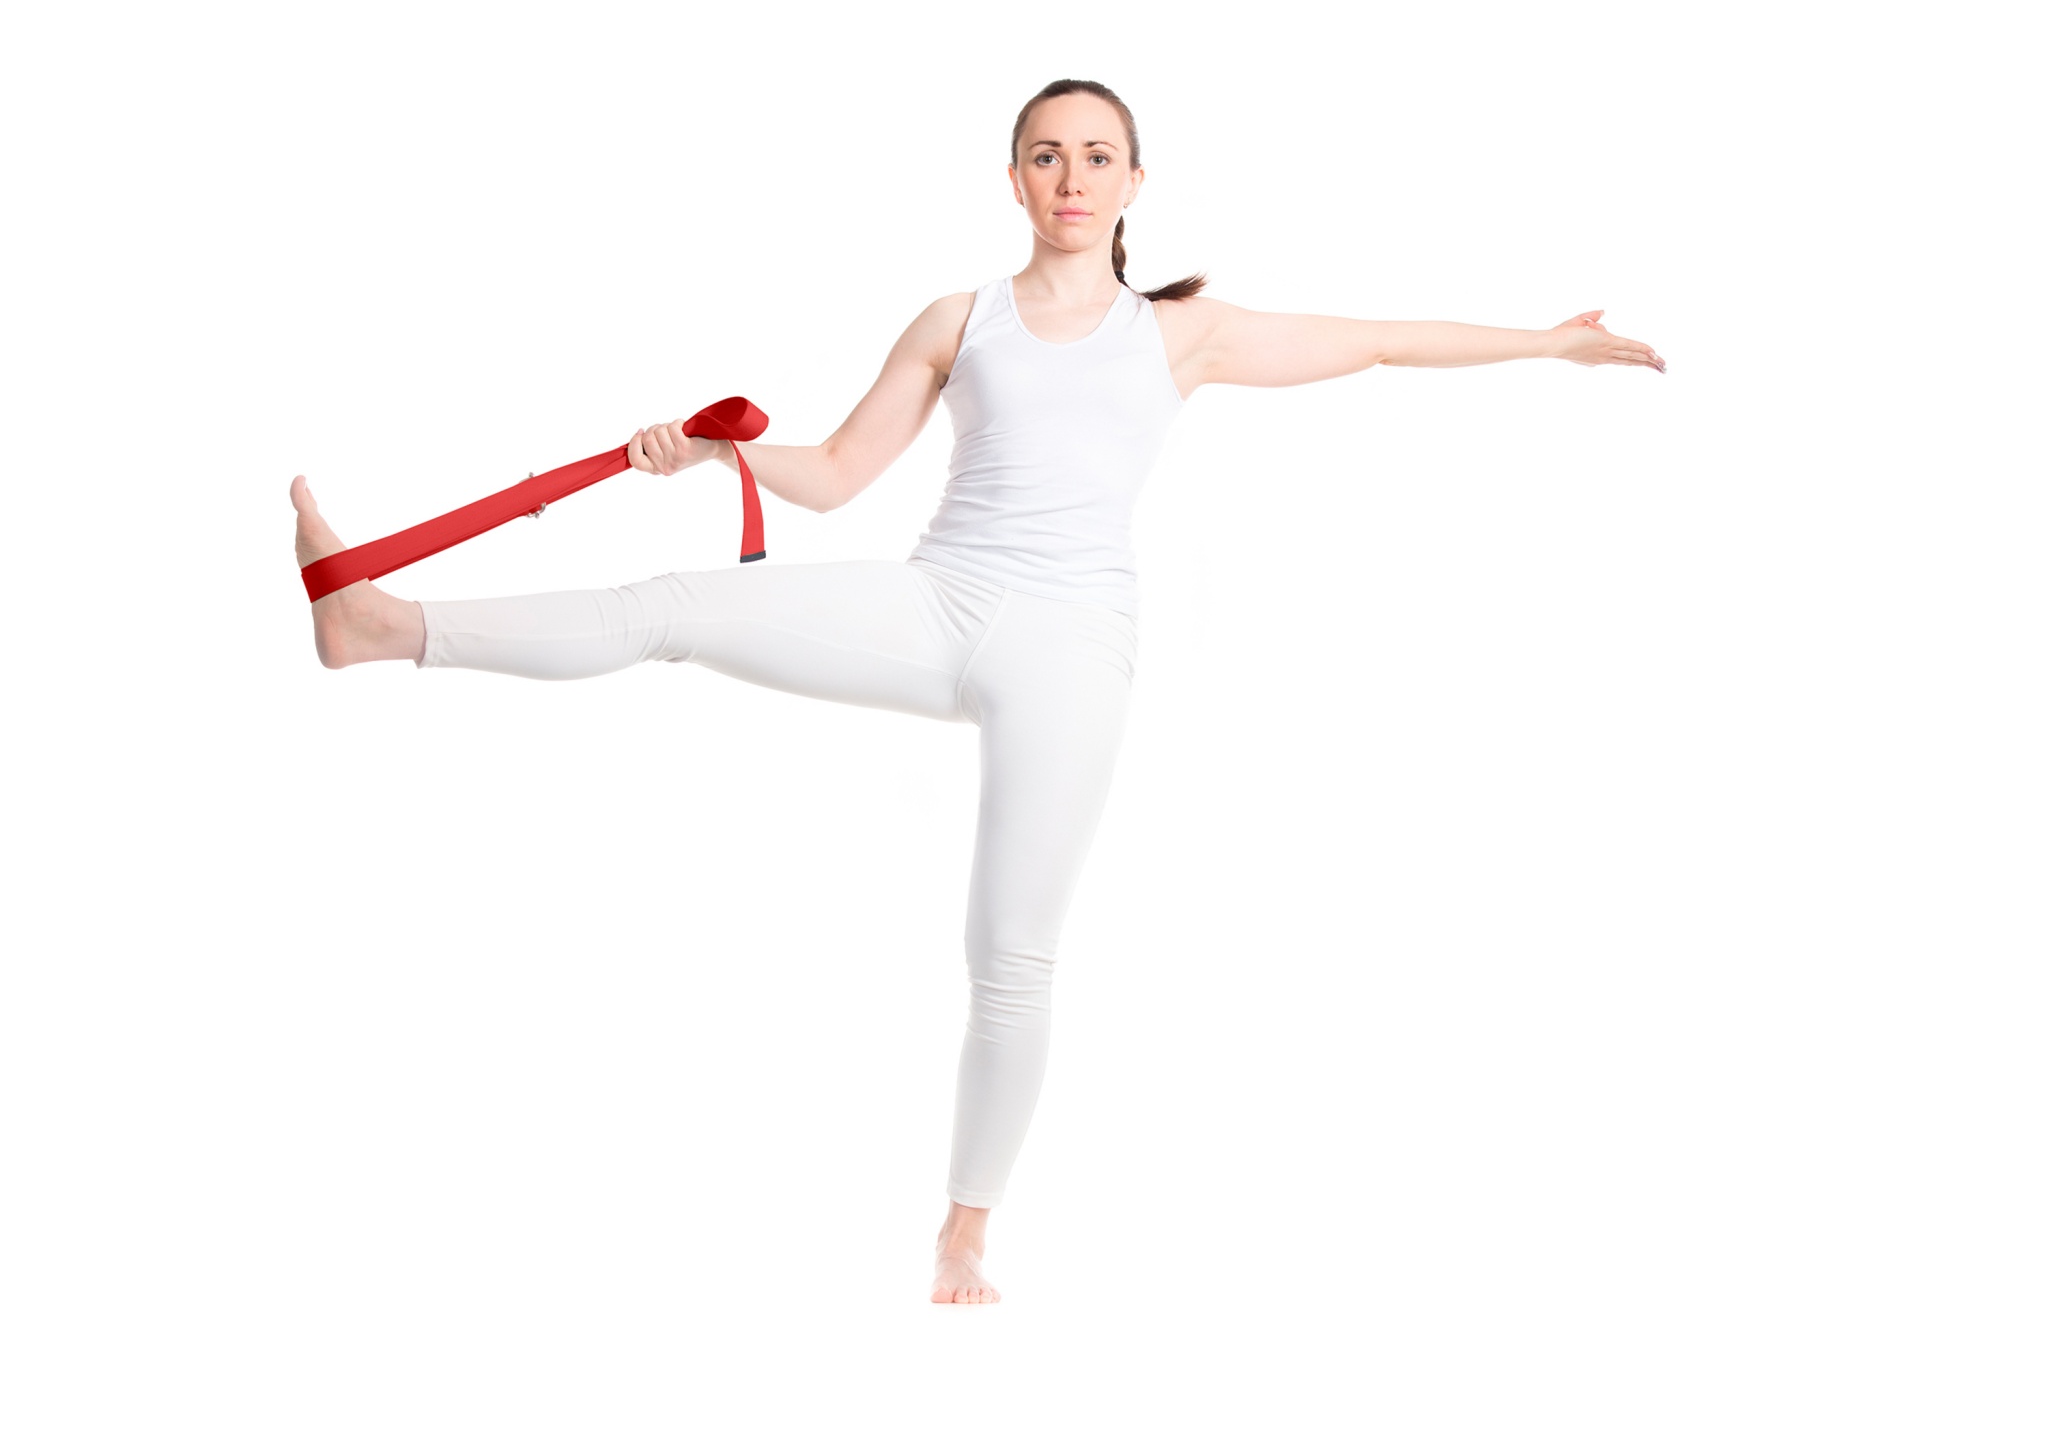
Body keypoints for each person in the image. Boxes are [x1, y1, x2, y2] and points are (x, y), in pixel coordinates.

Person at [291, 76, 1665, 1305]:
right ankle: (380, 623)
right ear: (1014, 180)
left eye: (1098, 156)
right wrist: (717, 460)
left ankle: (964, 1233)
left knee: (1011, 954)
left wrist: (1548, 344)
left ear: (1135, 184)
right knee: (673, 609)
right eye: (1047, 155)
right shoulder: (961, 319)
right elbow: (839, 474)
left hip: (1072, 644)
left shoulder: (1181, 334)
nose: (1073, 177)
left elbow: (1381, 340)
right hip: (937, 601)